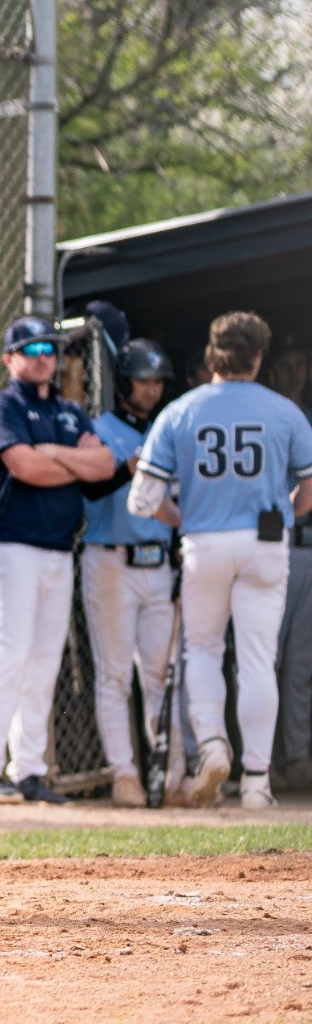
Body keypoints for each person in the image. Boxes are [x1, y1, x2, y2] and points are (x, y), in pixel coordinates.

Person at [131, 311, 312, 809]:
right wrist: (289, 515)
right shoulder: (284, 411)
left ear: (212, 356)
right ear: (258, 357)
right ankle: (256, 782)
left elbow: (142, 500)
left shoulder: (181, 410)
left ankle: (211, 742)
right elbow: (309, 484)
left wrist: (182, 517)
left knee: (203, 649)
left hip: (204, 541)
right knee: (258, 659)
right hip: (266, 542)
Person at [0, 316, 113, 804]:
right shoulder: (1, 406)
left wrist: (53, 452)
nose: (43, 355)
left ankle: (28, 770)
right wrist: (71, 459)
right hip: (7, 547)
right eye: (30, 349)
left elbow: (105, 466)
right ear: (9, 359)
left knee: (44, 661)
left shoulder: (71, 413)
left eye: (49, 347)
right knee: (9, 654)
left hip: (56, 550)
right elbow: (24, 467)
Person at [78, 335, 178, 807]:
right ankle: (125, 775)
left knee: (161, 673)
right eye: (143, 380)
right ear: (123, 383)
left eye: (158, 382)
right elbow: (90, 493)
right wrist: (127, 469)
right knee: (115, 673)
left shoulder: (169, 429)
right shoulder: (97, 429)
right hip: (111, 558)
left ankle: (168, 774)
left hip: (159, 565)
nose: (152, 389)